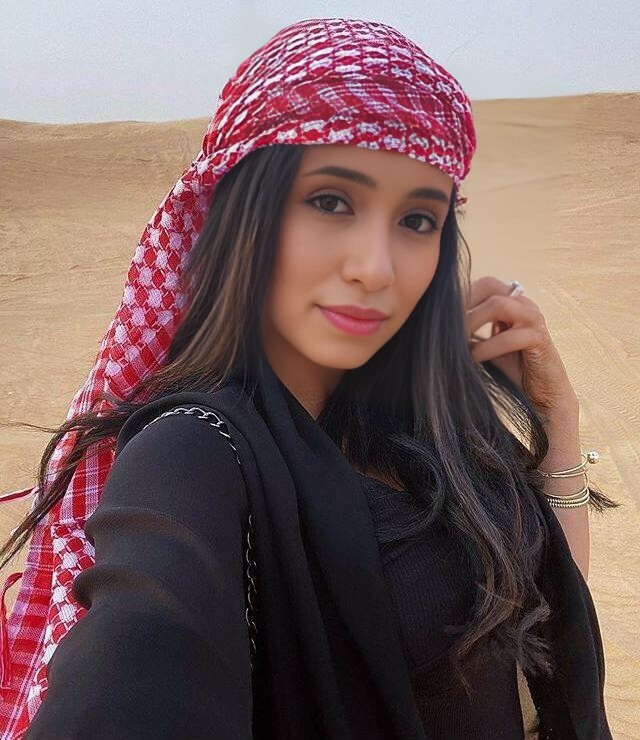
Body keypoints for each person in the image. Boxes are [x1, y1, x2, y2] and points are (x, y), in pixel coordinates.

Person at [0, 16, 617, 740]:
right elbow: (140, 658)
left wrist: (556, 421)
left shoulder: (425, 430)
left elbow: (539, 622)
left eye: (418, 218)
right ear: (245, 218)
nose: (375, 268)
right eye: (330, 202)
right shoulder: (192, 450)